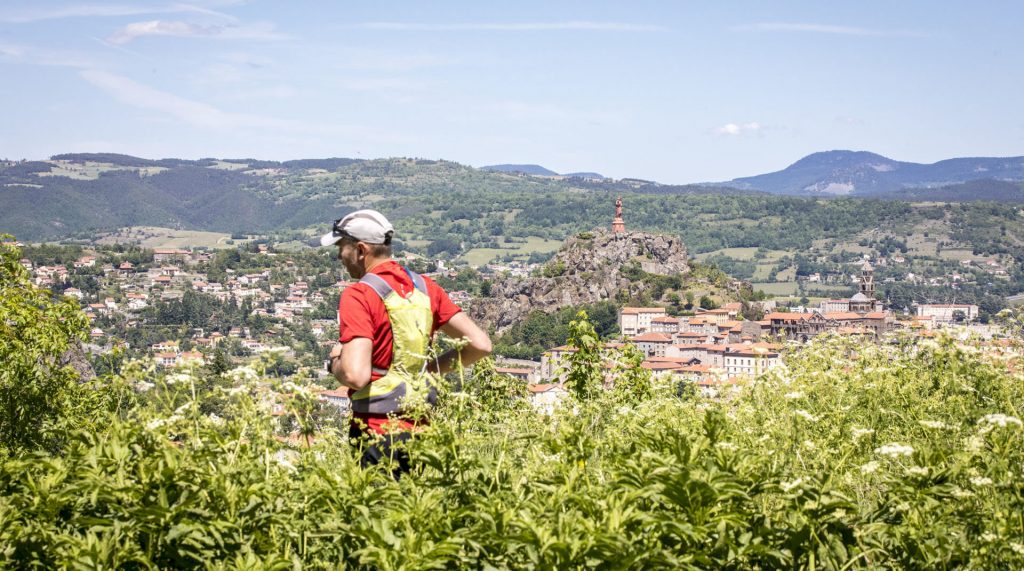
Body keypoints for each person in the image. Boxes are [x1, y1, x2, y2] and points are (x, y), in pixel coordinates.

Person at [321, 209, 491, 476]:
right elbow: (480, 345)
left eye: (342, 247)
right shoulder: (425, 289)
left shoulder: (359, 295)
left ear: (361, 250)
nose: (339, 256)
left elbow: (355, 375)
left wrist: (334, 363)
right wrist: (431, 371)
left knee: (379, 514)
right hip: (420, 428)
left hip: (375, 431)